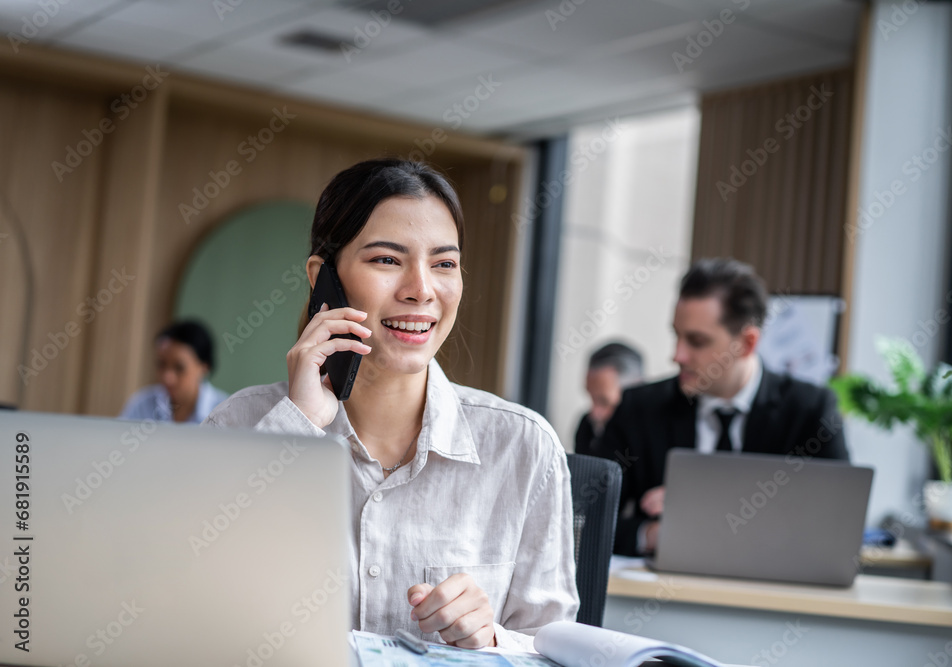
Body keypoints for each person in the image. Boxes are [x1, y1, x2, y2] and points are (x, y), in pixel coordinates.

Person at [203, 159, 578, 650]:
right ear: (324, 278)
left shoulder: (523, 448)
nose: (421, 290)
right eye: (387, 260)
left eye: (443, 263)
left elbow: (558, 650)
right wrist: (296, 432)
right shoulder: (239, 427)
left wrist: (492, 641)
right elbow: (196, 616)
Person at [596, 258, 850, 556]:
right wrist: (651, 535)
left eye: (697, 341)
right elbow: (584, 515)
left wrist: (705, 508)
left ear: (747, 343)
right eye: (676, 335)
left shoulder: (809, 410)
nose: (677, 355)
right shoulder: (639, 408)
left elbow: (838, 526)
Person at [119, 320, 229, 423]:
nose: (168, 377)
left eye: (179, 368)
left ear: (204, 367)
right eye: (161, 365)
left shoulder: (227, 414)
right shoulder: (142, 405)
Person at [574, 342, 644, 455]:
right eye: (591, 397)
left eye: (604, 402)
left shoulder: (651, 437)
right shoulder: (587, 428)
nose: (594, 413)